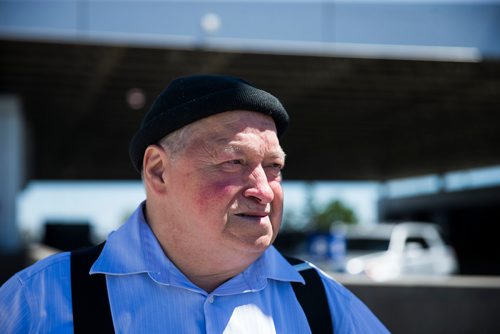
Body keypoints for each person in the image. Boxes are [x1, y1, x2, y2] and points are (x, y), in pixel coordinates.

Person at [0, 74, 389, 333]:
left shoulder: (324, 303)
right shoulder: (40, 300)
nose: (263, 190)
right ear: (157, 171)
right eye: (234, 162)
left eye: (273, 167)